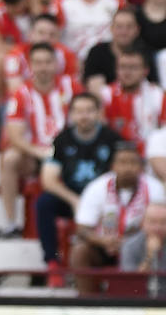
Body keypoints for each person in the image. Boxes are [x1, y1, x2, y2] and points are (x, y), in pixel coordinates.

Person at [37, 93, 122, 276]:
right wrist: (74, 199)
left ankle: (116, 262)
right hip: (73, 196)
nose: (84, 116)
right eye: (79, 111)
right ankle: (52, 263)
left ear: (99, 113)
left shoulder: (113, 139)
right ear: (71, 115)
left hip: (105, 200)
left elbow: (122, 175)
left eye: (89, 111)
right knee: (44, 203)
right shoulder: (61, 139)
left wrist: (93, 201)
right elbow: (48, 179)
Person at [1, 43, 78, 236]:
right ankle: (10, 222)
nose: (43, 67)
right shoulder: (21, 94)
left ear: (56, 64)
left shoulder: (71, 87)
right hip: (35, 154)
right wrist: (40, 152)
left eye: (47, 62)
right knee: (10, 159)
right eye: (38, 62)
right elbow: (14, 135)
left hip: (69, 151)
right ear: (30, 65)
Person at [72, 143, 166, 292]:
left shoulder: (155, 188)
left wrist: (135, 241)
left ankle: (150, 299)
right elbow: (82, 229)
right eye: (122, 162)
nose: (128, 168)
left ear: (141, 167)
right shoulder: (97, 188)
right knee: (79, 251)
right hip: (105, 247)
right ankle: (86, 302)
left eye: (133, 162)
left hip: (141, 245)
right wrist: (103, 241)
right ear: (113, 166)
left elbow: (163, 222)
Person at [120, 201, 166, 272]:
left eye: (163, 222)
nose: (157, 227)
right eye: (152, 222)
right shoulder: (130, 246)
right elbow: (132, 279)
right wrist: (150, 256)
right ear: (143, 223)